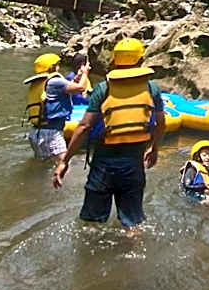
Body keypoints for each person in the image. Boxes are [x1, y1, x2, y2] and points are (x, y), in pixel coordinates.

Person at [52, 38, 165, 228]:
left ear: (114, 60)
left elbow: (84, 127)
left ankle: (89, 257)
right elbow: (161, 124)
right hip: (134, 162)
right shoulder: (151, 88)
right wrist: (154, 148)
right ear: (140, 60)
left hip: (103, 162)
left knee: (91, 225)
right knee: (133, 224)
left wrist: (65, 161)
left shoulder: (104, 88)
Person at [23, 52, 91, 164]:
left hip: (36, 132)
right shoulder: (55, 81)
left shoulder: (40, 82)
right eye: (58, 64)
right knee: (63, 166)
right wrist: (85, 73)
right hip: (51, 133)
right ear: (52, 67)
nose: (59, 67)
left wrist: (77, 77)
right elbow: (80, 88)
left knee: (44, 168)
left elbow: (65, 90)